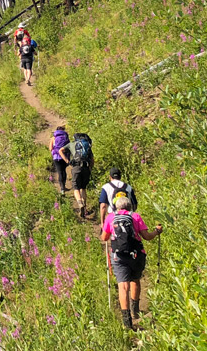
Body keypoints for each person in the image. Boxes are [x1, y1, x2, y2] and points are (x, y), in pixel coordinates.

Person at [101, 196, 163, 331]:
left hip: (118, 256)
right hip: (136, 254)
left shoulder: (111, 217)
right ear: (130, 206)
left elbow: (104, 237)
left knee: (123, 287)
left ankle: (127, 321)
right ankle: (135, 310)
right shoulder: (135, 216)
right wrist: (157, 231)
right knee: (135, 279)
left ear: (117, 207)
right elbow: (147, 237)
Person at [69, 131, 94, 218]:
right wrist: (90, 168)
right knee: (83, 188)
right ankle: (85, 206)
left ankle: (80, 204)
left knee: (76, 188)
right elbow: (92, 160)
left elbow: (61, 150)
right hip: (86, 168)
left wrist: (68, 161)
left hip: (76, 168)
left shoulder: (73, 145)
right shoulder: (87, 146)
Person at [48, 125, 70, 194]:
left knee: (60, 172)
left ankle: (62, 188)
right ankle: (64, 185)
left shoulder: (53, 138)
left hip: (56, 157)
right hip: (64, 157)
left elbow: (50, 148)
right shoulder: (66, 137)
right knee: (64, 171)